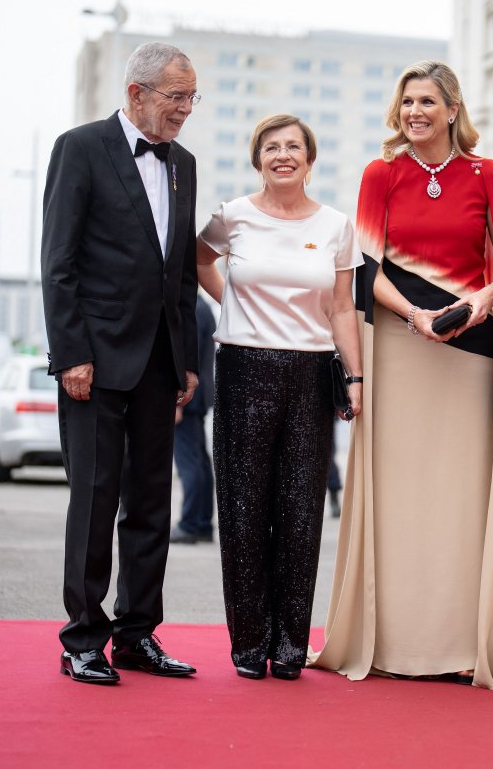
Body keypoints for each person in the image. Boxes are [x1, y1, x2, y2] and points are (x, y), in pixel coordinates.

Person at [311, 61, 493, 691]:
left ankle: (462, 645)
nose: (415, 111)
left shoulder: (487, 175)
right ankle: (390, 643)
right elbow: (364, 268)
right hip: (401, 353)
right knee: (399, 497)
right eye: (408, 101)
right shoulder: (380, 174)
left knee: (461, 498)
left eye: (428, 101)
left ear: (453, 108)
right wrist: (417, 314)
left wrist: (477, 306)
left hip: (470, 357)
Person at [42, 41, 202, 685]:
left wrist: (187, 361)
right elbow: (59, 263)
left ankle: (137, 634)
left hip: (161, 362)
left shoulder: (183, 164)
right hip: (96, 360)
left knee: (149, 502)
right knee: (94, 498)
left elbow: (182, 272)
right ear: (136, 93)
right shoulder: (79, 148)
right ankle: (83, 637)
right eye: (176, 96)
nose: (186, 109)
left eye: (192, 96)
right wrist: (72, 352)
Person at [197, 114, 363, 681]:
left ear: (310, 159)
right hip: (243, 366)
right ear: (258, 158)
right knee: (243, 509)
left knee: (300, 512)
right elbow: (200, 262)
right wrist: (233, 310)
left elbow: (342, 307)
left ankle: (291, 644)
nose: (283, 154)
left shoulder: (338, 225)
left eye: (294, 146)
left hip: (312, 373)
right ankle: (248, 644)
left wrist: (357, 379)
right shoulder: (232, 217)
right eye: (272, 147)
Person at [170, 295, 217, 544]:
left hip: (188, 399)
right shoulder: (202, 307)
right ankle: (202, 524)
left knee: (189, 463)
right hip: (196, 398)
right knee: (199, 462)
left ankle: (191, 523)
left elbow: (188, 356)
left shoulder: (193, 309)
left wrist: (176, 403)